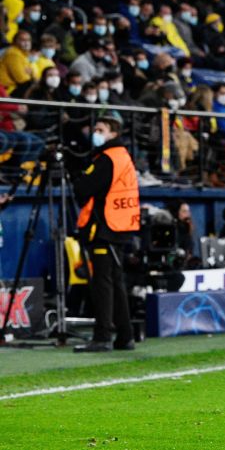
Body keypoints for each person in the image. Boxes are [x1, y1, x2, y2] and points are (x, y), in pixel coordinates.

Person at [72, 112, 140, 352]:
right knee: (116, 282)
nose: (95, 134)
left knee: (103, 283)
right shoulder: (123, 156)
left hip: (105, 227)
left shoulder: (107, 159)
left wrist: (78, 176)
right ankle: (125, 335)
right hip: (120, 226)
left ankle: (102, 336)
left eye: (101, 130)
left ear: (113, 133)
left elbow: (83, 188)